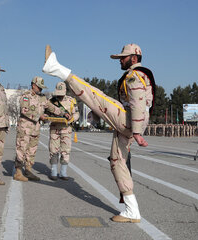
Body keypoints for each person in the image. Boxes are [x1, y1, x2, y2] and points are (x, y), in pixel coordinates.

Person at [42, 44, 155, 223]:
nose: (120, 61)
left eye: (123, 58)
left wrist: (138, 131)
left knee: (94, 94)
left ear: (134, 58)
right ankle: (132, 210)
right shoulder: (135, 75)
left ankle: (56, 68)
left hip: (129, 120)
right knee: (117, 163)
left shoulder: (135, 75)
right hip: (129, 122)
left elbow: (138, 103)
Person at [14, 76, 70, 182]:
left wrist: (63, 113)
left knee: (32, 150)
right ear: (33, 85)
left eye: (42, 88)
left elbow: (51, 107)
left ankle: (28, 170)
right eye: (39, 87)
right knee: (21, 149)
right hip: (25, 129)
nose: (41, 90)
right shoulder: (26, 96)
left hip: (35, 129)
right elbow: (24, 110)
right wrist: (39, 116)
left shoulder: (43, 97)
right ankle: (18, 172)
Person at [48, 82, 79, 180]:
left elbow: (77, 114)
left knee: (65, 150)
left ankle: (63, 172)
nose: (60, 95)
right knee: (53, 150)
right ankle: (53, 171)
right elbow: (47, 112)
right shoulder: (52, 100)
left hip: (66, 129)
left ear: (65, 91)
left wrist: (72, 119)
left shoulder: (71, 100)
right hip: (54, 128)